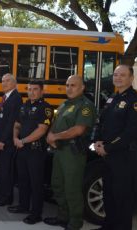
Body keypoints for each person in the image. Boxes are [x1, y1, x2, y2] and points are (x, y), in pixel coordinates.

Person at [44, 75, 96, 230]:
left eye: (73, 85)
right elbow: (55, 124)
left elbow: (78, 129)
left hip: (73, 153)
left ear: (82, 87)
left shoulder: (85, 106)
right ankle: (62, 216)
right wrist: (50, 136)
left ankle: (75, 222)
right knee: (57, 185)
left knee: (72, 188)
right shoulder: (64, 104)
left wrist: (55, 136)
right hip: (59, 151)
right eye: (67, 85)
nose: (69, 88)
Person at [93, 65, 137, 230]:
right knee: (109, 194)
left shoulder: (134, 100)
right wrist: (97, 140)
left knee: (123, 197)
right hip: (108, 155)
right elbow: (101, 121)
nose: (118, 78)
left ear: (131, 78)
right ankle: (109, 226)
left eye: (123, 75)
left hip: (124, 156)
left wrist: (108, 147)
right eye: (116, 74)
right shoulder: (113, 97)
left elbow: (131, 132)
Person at [9, 80, 53, 225]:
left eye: (35, 89)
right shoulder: (24, 105)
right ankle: (23, 206)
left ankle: (36, 214)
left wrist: (23, 140)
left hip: (35, 151)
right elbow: (17, 124)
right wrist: (15, 137)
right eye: (29, 89)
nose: (31, 92)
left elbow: (41, 130)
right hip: (21, 149)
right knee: (23, 180)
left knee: (36, 183)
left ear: (42, 91)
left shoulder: (45, 108)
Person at [0, 73, 22, 206]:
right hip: (0, 140)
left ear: (14, 83)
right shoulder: (6, 97)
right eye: (3, 81)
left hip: (6, 142)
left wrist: (3, 140)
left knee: (6, 171)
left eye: (7, 81)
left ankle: (6, 198)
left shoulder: (16, 98)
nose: (4, 83)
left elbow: (11, 122)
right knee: (1, 169)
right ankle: (1, 194)